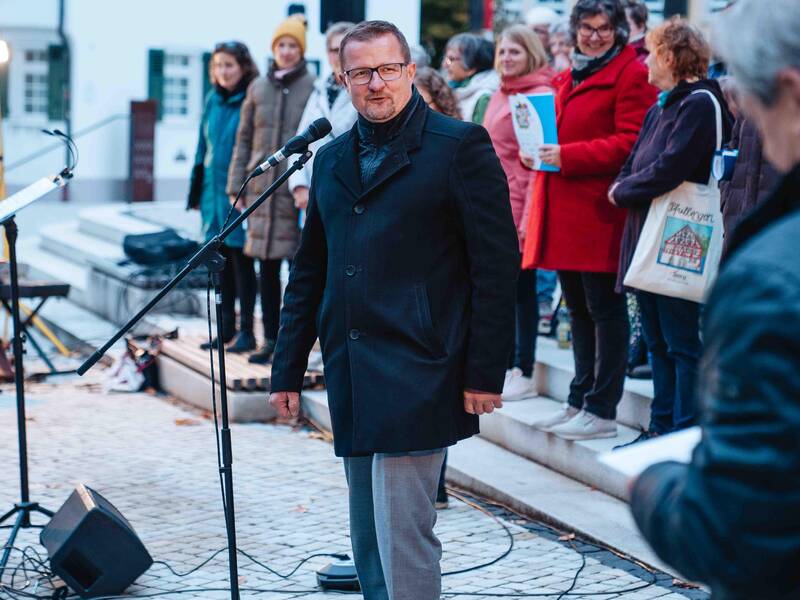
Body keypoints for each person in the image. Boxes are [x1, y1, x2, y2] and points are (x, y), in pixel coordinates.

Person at [268, 20, 519, 600]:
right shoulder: (329, 160)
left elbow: (496, 268)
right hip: (353, 364)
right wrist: (287, 366)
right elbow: (309, 270)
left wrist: (485, 372)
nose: (375, 83)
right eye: (361, 73)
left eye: (387, 69)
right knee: (367, 538)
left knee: (403, 535)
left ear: (409, 71)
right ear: (342, 78)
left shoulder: (459, 147)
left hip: (422, 364)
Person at [629, 1, 800, 597]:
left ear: (790, 91)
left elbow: (731, 530)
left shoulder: (772, 282)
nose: (744, 108)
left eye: (748, 93)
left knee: (677, 344)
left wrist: (652, 486)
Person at [522, 0, 656, 440]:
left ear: (617, 31)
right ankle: (579, 398)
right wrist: (539, 150)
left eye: (602, 28)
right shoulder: (573, 72)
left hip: (601, 212)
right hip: (567, 208)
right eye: (586, 28)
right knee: (577, 311)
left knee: (605, 311)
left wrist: (568, 156)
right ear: (575, 30)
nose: (593, 35)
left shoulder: (630, 73)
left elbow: (631, 142)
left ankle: (602, 407)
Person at [610, 18, 733, 442]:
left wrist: (621, 191)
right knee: (658, 341)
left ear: (667, 55)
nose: (643, 61)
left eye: (649, 52)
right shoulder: (662, 103)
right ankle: (660, 428)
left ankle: (683, 432)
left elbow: (670, 166)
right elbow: (636, 159)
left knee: (681, 342)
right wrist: (625, 184)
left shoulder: (699, 102)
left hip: (680, 233)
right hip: (650, 233)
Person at [227, 16, 315, 364]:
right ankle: (269, 340)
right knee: (264, 267)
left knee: (297, 269)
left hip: (295, 188)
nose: (287, 52)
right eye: (282, 45)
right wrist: (237, 185)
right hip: (262, 186)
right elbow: (244, 139)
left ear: (301, 50)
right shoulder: (258, 87)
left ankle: (294, 344)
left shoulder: (312, 86)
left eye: (293, 46)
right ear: (273, 49)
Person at [483, 25, 555, 401]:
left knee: (522, 292)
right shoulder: (500, 92)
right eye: (503, 52)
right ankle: (508, 363)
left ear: (531, 54)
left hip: (521, 205)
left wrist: (528, 219)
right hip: (493, 205)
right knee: (502, 291)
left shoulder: (540, 96)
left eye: (515, 52)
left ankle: (523, 368)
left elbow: (536, 165)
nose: (507, 58)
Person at [187, 42, 259, 353]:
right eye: (218, 65)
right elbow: (202, 148)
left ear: (243, 67)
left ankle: (247, 332)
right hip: (212, 195)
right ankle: (225, 328)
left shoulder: (249, 99)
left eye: (229, 65)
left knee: (243, 264)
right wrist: (195, 189)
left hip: (238, 193)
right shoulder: (212, 100)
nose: (223, 71)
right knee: (220, 266)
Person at [289, 22, 357, 212]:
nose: (338, 56)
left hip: (349, 194)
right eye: (334, 50)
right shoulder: (319, 90)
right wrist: (299, 186)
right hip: (314, 193)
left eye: (344, 48)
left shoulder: (365, 89)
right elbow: (300, 140)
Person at [443, 33, 498, 124]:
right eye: (445, 59)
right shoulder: (457, 89)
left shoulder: (484, 98)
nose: (445, 65)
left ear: (471, 66)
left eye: (450, 59)